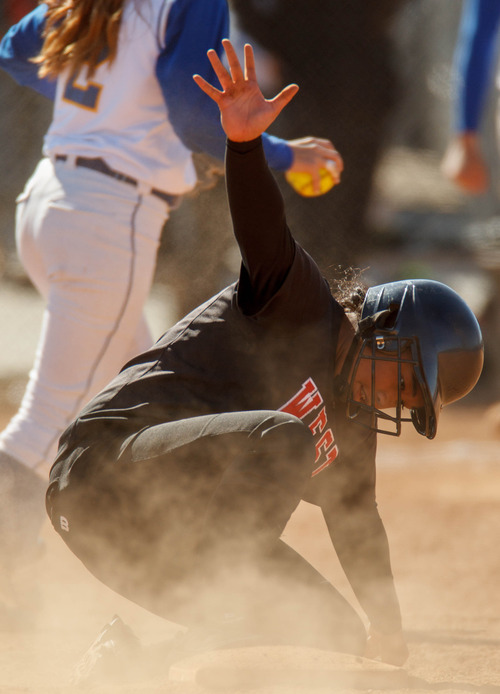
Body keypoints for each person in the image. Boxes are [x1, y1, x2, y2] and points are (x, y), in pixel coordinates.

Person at [46, 40, 483, 685]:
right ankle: (226, 594)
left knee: (325, 626)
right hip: (101, 474)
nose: (395, 399)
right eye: (406, 380)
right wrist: (245, 144)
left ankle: (127, 665)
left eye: (410, 401)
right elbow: (261, 225)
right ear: (382, 328)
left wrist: (385, 623)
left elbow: (357, 518)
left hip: (160, 539)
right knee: (283, 438)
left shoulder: (354, 422)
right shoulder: (298, 301)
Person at [0, 0, 339, 587]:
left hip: (52, 200)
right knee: (47, 419)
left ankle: (172, 562)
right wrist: (284, 154)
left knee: (139, 398)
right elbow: (191, 111)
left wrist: (113, 114)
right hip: (106, 215)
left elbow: (14, 50)